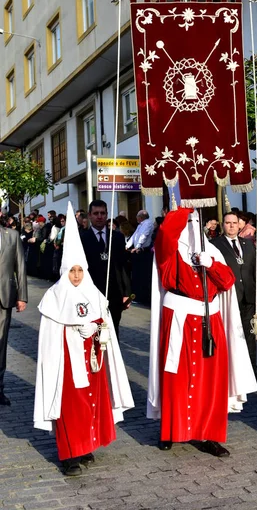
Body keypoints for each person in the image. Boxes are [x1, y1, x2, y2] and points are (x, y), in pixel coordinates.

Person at [34, 202, 134, 476]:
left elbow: (105, 325)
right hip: (67, 363)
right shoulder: (54, 297)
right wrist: (73, 330)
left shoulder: (94, 293)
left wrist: (98, 328)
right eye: (72, 271)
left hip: (93, 362)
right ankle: (68, 454)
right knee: (72, 406)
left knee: (91, 402)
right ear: (65, 271)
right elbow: (50, 335)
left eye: (80, 271)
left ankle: (86, 444)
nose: (77, 276)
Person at [148, 207, 257, 456]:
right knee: (176, 378)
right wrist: (186, 202)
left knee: (210, 381)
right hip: (180, 319)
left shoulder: (212, 250)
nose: (192, 226)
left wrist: (210, 264)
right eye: (187, 221)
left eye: (196, 221)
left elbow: (227, 281)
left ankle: (209, 434)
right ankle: (170, 431)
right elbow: (165, 234)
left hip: (209, 320)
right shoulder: (170, 251)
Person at [211, 211, 257, 383]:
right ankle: (229, 371)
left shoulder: (248, 244)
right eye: (228, 223)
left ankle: (251, 370)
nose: (232, 226)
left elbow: (255, 269)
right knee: (230, 334)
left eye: (234, 223)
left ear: (239, 224)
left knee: (250, 334)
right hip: (228, 296)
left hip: (249, 296)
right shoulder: (215, 244)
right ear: (223, 225)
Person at [80, 200, 132, 339]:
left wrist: (126, 293)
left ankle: (113, 361)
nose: (99, 216)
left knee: (113, 332)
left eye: (102, 213)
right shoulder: (82, 238)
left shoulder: (117, 237)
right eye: (96, 213)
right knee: (93, 333)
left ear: (107, 214)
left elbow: (123, 266)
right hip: (91, 294)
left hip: (114, 294)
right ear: (90, 215)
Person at [0, 220, 27, 406]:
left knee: (1, 345)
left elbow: (21, 266)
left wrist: (22, 296)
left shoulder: (12, 236)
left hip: (4, 298)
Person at [127, 210, 154, 306]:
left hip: (143, 252)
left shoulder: (148, 224)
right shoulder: (140, 225)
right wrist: (127, 245)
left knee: (143, 276)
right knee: (137, 275)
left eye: (137, 216)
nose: (136, 218)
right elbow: (134, 236)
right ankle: (137, 296)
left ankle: (143, 298)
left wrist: (137, 246)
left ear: (141, 217)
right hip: (137, 251)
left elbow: (144, 235)